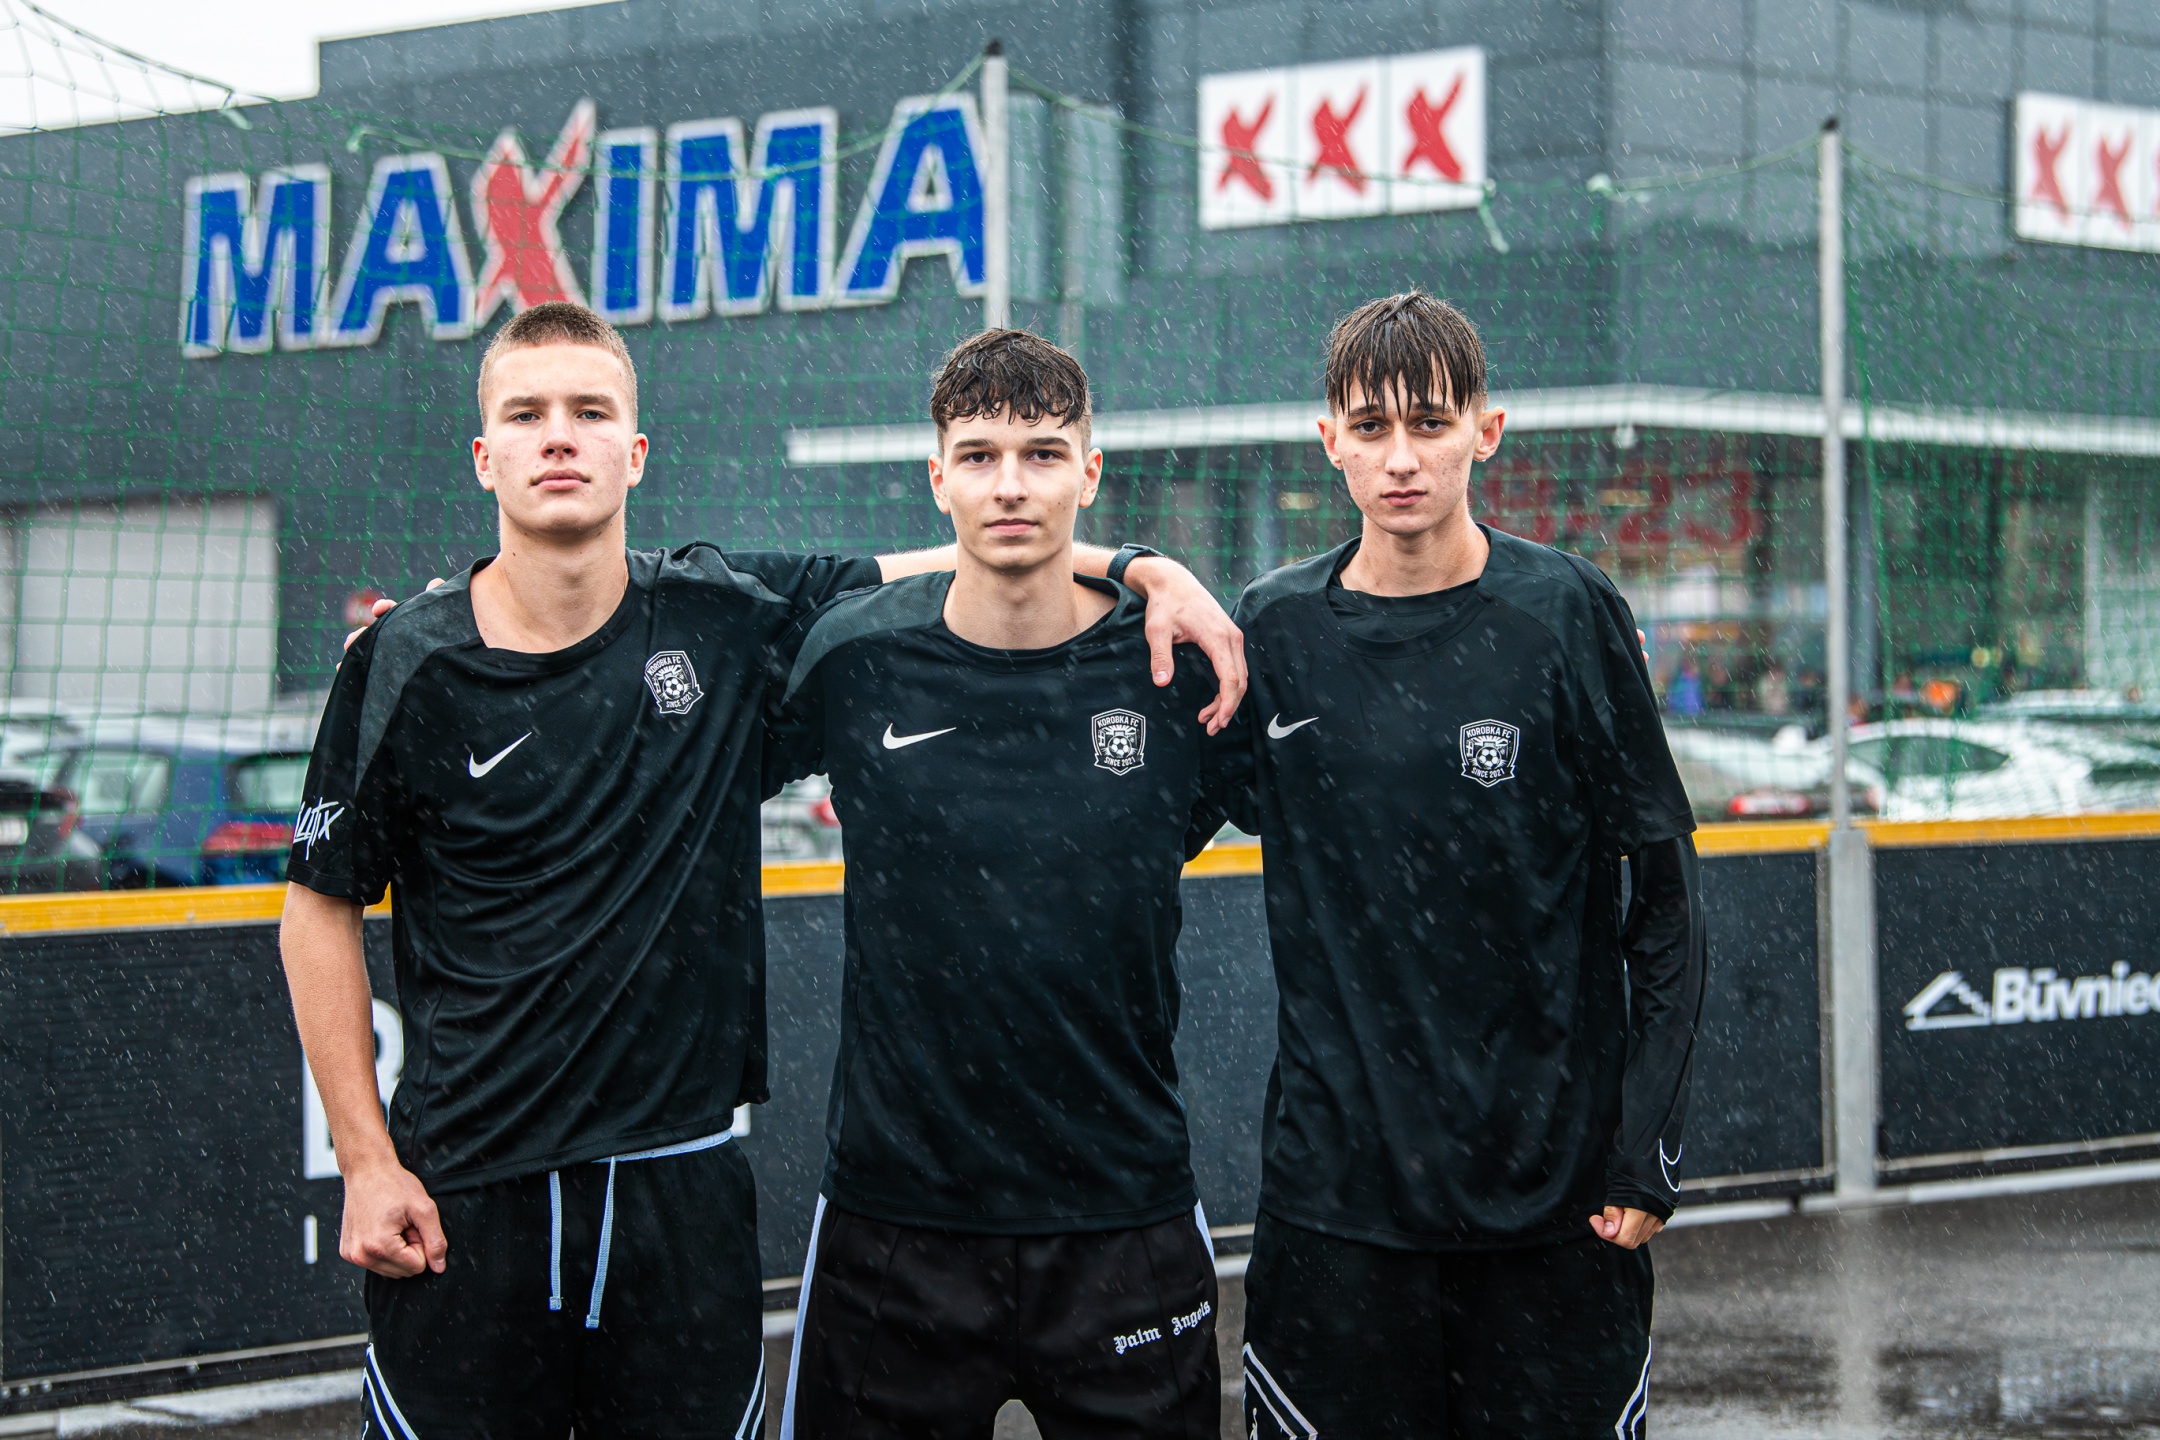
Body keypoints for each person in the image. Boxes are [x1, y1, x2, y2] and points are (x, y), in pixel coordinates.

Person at [279, 301, 1243, 1438]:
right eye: (527, 415)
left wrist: (1140, 563)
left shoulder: (722, 616)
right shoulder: (404, 660)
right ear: (485, 455)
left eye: (591, 412)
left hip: (681, 1189)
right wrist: (365, 1161)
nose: (560, 437)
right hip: (468, 1196)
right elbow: (318, 909)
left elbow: (960, 550)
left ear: (637, 450)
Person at [1229, 292, 1706, 1439]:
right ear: (1329, 441)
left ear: (1485, 432)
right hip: (1337, 1212)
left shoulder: (1568, 612)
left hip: (1551, 1211)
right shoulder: (1273, 631)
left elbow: (1667, 904)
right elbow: (1149, 813)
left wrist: (1644, 1150)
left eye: (1430, 424)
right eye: (1372, 427)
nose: (1402, 459)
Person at [768, 329, 1241, 1439]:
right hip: (896, 1226)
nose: (1011, 485)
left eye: (1043, 454)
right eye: (979, 456)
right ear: (937, 479)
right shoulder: (854, 656)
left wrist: (1143, 573)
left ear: (1091, 472)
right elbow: (700, 602)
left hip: (1123, 1215)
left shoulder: (1178, 670)